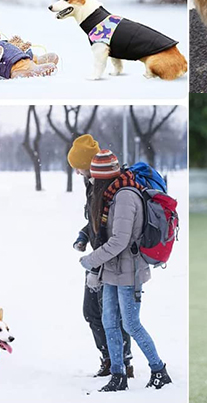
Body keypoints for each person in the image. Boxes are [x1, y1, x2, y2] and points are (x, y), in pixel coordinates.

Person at [79, 150, 172, 392]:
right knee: (109, 321)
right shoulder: (111, 195)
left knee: (131, 324)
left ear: (105, 178)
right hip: (112, 269)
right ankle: (118, 375)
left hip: (129, 271)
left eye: (96, 178)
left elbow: (119, 241)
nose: (93, 182)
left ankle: (159, 370)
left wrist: (91, 261)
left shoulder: (125, 197)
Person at [67, 135, 133, 378]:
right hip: (99, 257)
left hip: (111, 262)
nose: (76, 172)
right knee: (92, 313)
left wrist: (94, 264)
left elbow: (114, 230)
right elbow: (95, 222)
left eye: (78, 167)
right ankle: (109, 357)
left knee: (112, 316)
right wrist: (84, 235)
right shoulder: (92, 184)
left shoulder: (109, 187)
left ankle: (122, 361)